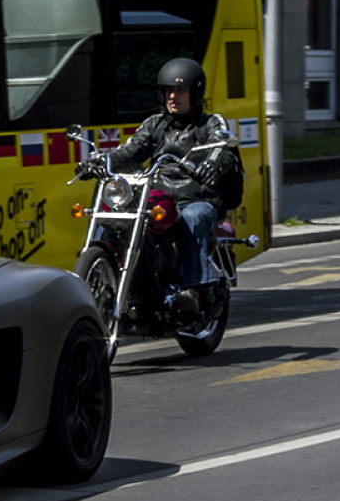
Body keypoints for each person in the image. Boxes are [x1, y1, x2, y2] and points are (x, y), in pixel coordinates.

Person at [76, 57, 242, 311]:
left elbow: (223, 148)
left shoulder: (210, 123)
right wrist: (99, 162)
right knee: (120, 215)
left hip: (197, 198)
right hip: (157, 196)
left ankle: (193, 290)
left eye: (181, 90)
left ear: (195, 93)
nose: (173, 96)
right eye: (168, 91)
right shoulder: (155, 124)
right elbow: (130, 151)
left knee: (193, 219)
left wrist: (213, 164)